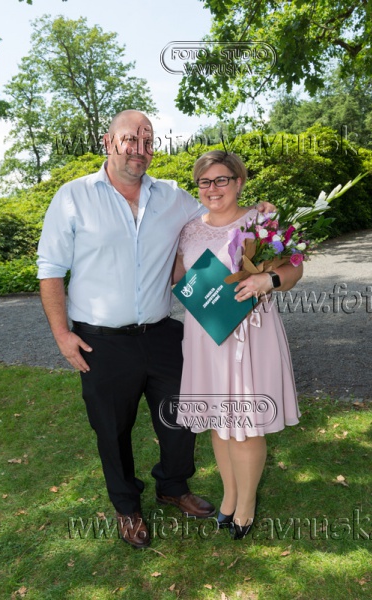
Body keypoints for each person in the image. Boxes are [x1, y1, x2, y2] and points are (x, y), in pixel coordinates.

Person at [37, 110, 274, 548]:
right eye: (130, 138)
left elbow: (220, 210)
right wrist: (61, 335)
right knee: (112, 429)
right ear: (108, 142)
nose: (139, 148)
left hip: (163, 333)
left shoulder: (172, 197)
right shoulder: (73, 197)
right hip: (101, 341)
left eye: (147, 140)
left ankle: (174, 487)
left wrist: (259, 213)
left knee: (181, 420)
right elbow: (50, 269)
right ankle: (127, 507)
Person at [173, 150, 302, 540]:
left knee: (245, 424)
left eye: (221, 180)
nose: (213, 188)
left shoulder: (260, 222)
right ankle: (229, 497)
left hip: (251, 334)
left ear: (239, 182)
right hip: (206, 335)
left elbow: (295, 267)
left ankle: (246, 505)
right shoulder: (189, 230)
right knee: (219, 420)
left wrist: (267, 280)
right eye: (205, 182)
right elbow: (178, 276)